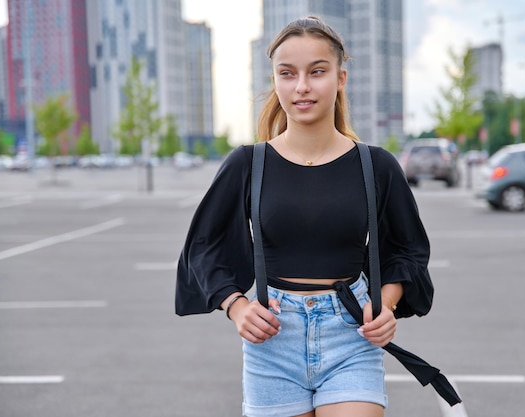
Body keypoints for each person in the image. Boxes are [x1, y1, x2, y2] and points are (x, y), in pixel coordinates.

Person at [176, 16, 433, 417]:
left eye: (317, 72)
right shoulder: (248, 163)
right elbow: (203, 247)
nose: (301, 86)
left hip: (350, 334)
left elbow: (408, 249)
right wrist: (237, 307)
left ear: (341, 78)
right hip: (273, 340)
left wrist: (386, 303)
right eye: (287, 73)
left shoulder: (375, 165)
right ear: (275, 81)